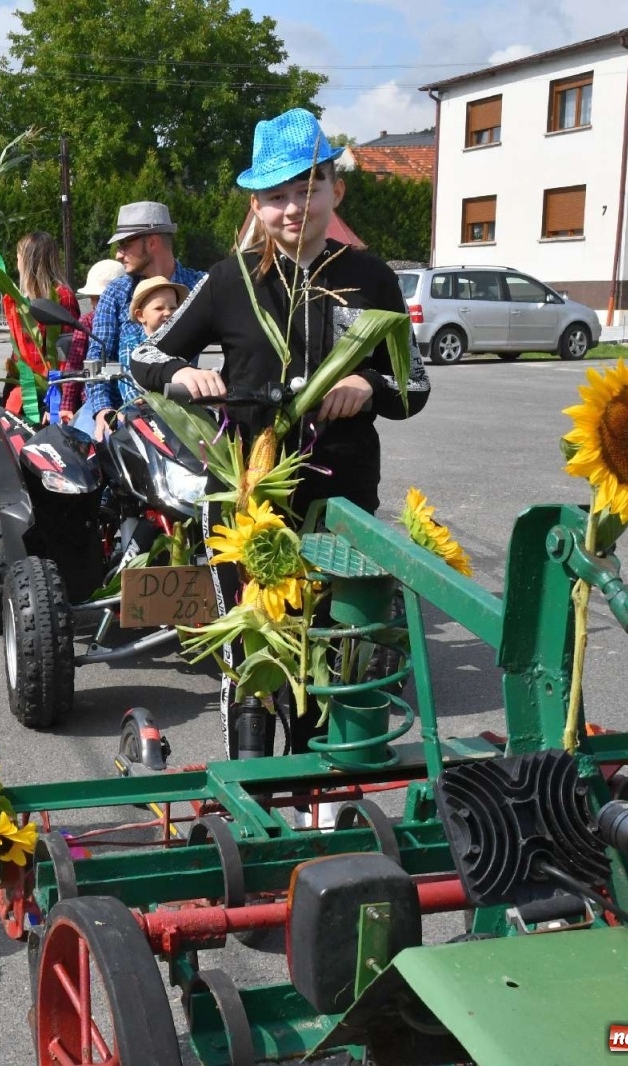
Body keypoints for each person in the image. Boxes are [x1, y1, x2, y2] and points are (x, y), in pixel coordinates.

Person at [129, 107, 431, 759]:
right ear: (255, 205)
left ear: (335, 191)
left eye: (307, 190)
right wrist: (185, 375)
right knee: (254, 648)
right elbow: (146, 356)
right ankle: (253, 777)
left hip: (342, 498)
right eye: (275, 197)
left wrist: (370, 388)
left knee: (335, 645)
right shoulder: (228, 279)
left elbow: (417, 387)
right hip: (247, 498)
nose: (292, 209)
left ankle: (326, 788)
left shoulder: (371, 277)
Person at [80, 202, 205, 441]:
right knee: (83, 461)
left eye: (125, 244)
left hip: (179, 412)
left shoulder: (199, 286)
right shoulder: (116, 292)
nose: (118, 254)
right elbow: (97, 356)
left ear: (152, 242)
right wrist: (102, 409)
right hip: (120, 412)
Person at [0, 232, 77, 419]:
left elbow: (69, 351)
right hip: (26, 389)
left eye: (18, 256)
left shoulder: (61, 296)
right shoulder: (18, 300)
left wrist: (59, 401)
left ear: (29, 261)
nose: (16, 262)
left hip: (53, 391)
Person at [57, 258, 126, 421]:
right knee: (86, 438)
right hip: (93, 400)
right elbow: (74, 363)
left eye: (100, 298)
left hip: (130, 398)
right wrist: (66, 405)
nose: (97, 304)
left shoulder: (134, 321)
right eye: (93, 298)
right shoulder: (86, 322)